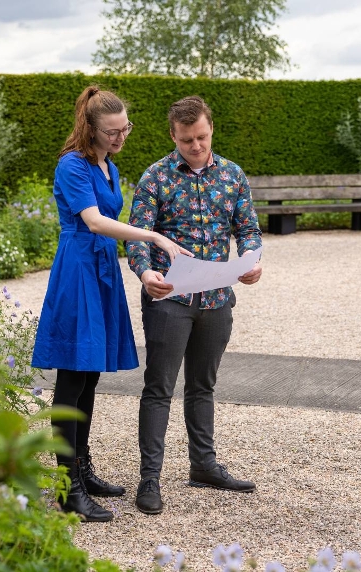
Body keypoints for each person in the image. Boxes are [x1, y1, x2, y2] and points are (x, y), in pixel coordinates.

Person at [31, 85, 190, 523]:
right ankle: (67, 487)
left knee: (90, 377)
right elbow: (95, 221)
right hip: (79, 271)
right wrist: (155, 235)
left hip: (100, 271)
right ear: (91, 128)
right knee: (73, 374)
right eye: (112, 132)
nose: (121, 138)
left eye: (125, 130)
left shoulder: (108, 166)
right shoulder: (73, 165)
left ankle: (81, 469)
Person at [126, 95, 263, 515]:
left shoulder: (233, 175)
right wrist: (145, 273)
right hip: (170, 299)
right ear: (173, 135)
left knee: (203, 386)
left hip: (218, 299)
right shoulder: (155, 178)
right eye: (187, 140)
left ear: (210, 129)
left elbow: (249, 229)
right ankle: (150, 479)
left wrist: (253, 261)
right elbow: (137, 236)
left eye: (201, 137)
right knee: (159, 388)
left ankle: (203, 466)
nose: (196, 146)